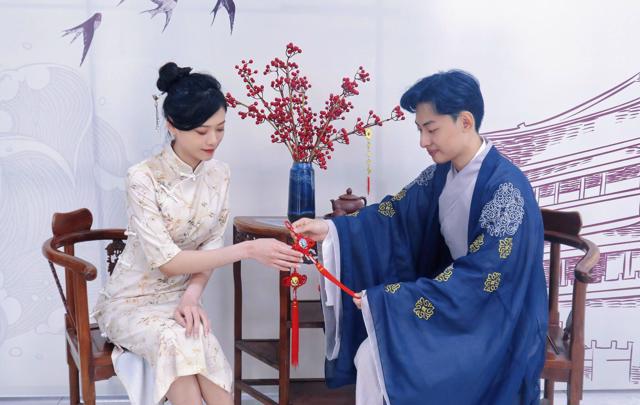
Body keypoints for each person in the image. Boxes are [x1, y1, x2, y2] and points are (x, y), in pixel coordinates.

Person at [293, 70, 548, 405]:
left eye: (431, 129)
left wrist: (391, 300)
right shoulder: (440, 175)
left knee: (378, 358)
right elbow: (393, 217)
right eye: (420, 130)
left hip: (494, 322)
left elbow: (484, 278)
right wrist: (331, 229)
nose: (423, 142)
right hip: (455, 305)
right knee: (372, 355)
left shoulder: (507, 192)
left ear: (465, 122)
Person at [93, 62, 302, 405]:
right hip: (131, 302)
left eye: (220, 129)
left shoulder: (219, 174)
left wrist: (191, 296)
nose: (213, 140)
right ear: (172, 125)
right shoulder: (143, 178)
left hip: (182, 299)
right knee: (178, 341)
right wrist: (248, 250)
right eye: (202, 131)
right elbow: (168, 262)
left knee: (192, 337)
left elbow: (211, 242)